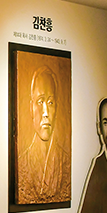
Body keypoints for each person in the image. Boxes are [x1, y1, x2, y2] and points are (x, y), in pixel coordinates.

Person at [17, 66, 70, 203]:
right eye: (40, 102)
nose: (45, 112)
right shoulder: (22, 164)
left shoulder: (66, 163)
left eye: (50, 103)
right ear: (31, 108)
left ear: (56, 108)